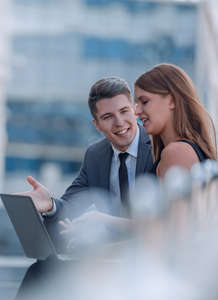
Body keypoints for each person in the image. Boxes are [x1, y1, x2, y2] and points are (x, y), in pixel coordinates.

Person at [15, 77, 154, 300]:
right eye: (108, 117)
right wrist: (49, 204)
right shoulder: (95, 155)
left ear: (135, 110)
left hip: (150, 254)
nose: (119, 122)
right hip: (106, 257)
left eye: (124, 111)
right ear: (97, 124)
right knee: (40, 270)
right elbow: (69, 206)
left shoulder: (158, 146)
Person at [134, 63, 217, 177]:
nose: (137, 111)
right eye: (136, 103)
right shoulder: (180, 150)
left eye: (144, 102)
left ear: (172, 101)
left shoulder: (177, 153)